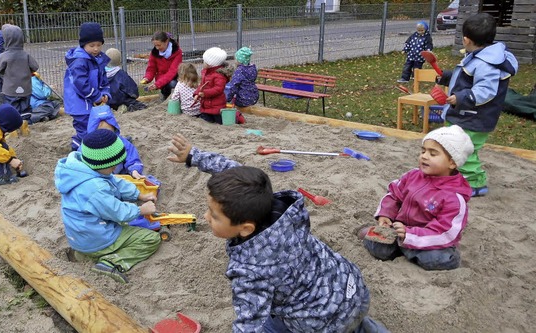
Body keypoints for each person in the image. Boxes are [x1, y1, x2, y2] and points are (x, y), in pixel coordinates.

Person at [167, 133, 387, 333]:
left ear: (246, 229)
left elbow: (249, 324)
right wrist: (193, 156)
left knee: (270, 326)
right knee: (349, 319)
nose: (206, 216)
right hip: (353, 290)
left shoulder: (250, 271)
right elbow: (232, 172)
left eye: (214, 216)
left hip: (319, 326)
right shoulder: (283, 212)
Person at [54, 129, 161, 284]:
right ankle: (110, 263)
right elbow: (118, 212)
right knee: (151, 239)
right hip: (97, 238)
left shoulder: (82, 168)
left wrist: (139, 195)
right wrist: (140, 209)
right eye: (112, 166)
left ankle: (86, 254)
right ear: (101, 163)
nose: (115, 168)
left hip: (80, 237)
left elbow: (114, 181)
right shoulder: (94, 187)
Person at [361, 125, 474, 271]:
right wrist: (386, 214)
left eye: (433, 154)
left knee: (436, 259)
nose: (424, 156)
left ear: (452, 163)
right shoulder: (413, 175)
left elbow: (445, 232)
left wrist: (411, 235)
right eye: (423, 151)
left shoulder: (453, 197)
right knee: (378, 248)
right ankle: (393, 244)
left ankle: (413, 250)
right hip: (399, 231)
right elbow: (394, 195)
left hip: (428, 240)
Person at [437, 13, 518, 197]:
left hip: (474, 117)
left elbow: (485, 90)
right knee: (459, 147)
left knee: (466, 150)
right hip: (469, 115)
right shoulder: (482, 55)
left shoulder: (486, 63)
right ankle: (463, 178)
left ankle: (474, 184)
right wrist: (447, 77)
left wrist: (461, 97)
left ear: (466, 40)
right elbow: (467, 76)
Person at [63, 22, 111, 151]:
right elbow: (81, 84)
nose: (96, 49)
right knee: (85, 127)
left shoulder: (98, 58)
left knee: (94, 125)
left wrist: (105, 93)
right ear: (83, 44)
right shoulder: (79, 61)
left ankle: (88, 144)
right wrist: (96, 97)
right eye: (92, 45)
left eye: (99, 45)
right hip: (79, 103)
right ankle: (79, 147)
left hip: (91, 101)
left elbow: (104, 79)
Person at [0, 24, 39, 122]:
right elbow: (35, 67)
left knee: (12, 109)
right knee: (26, 108)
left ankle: (15, 127)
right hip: (25, 88)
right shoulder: (25, 55)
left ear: (6, 40)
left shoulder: (4, 56)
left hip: (10, 89)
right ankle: (26, 124)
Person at [85, 106, 145, 179]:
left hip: (121, 175)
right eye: (101, 132)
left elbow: (132, 158)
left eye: (109, 132)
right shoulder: (87, 147)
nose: (106, 137)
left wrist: (134, 170)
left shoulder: (121, 142)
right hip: (98, 178)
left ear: (114, 129)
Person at [195, 47, 232, 124]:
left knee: (220, 121)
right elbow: (201, 85)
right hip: (206, 105)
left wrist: (205, 93)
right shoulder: (205, 72)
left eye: (204, 61)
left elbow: (218, 89)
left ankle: (237, 116)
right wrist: (196, 94)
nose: (203, 63)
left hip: (216, 106)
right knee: (205, 119)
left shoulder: (219, 76)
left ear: (210, 64)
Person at [140, 31, 182, 100]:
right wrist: (147, 78)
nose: (157, 48)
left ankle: (172, 99)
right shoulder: (154, 53)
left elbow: (172, 72)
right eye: (155, 45)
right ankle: (164, 96)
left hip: (174, 78)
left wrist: (158, 84)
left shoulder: (177, 52)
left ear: (166, 41)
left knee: (172, 84)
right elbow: (151, 68)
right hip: (161, 79)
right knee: (165, 86)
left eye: (159, 45)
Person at [104, 48, 148, 113]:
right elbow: (132, 89)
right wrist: (134, 95)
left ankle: (112, 108)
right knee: (141, 105)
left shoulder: (100, 73)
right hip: (119, 99)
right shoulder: (120, 74)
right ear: (119, 60)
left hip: (105, 100)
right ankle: (124, 107)